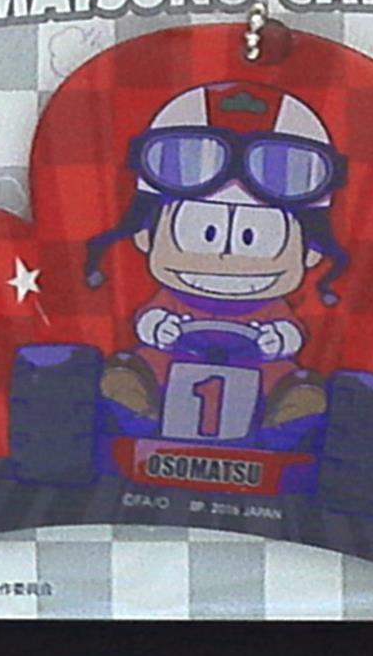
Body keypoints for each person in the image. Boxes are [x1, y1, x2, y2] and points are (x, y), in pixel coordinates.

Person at [85, 80, 349, 428]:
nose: (225, 258)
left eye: (254, 238)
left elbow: (290, 331)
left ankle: (287, 419)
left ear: (310, 254)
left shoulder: (272, 307)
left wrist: (280, 339)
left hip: (260, 379)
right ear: (146, 236)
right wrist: (157, 327)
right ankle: (134, 402)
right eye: (203, 233)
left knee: (293, 383)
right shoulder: (172, 299)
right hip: (169, 371)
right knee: (135, 367)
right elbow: (150, 319)